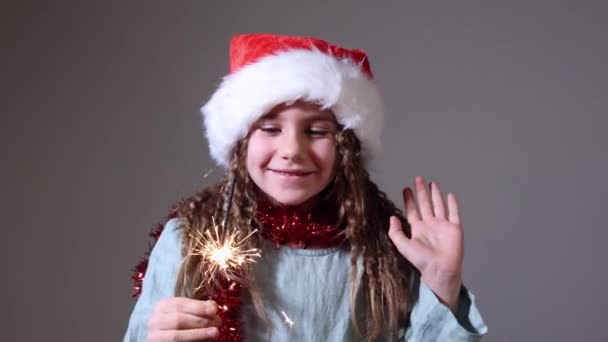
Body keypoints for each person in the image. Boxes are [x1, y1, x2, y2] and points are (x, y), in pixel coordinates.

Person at [124, 33, 488, 341]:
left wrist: (441, 284)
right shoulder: (190, 242)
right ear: (240, 143)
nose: (292, 151)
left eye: (316, 131)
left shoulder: (384, 251)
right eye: (269, 129)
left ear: (346, 146)